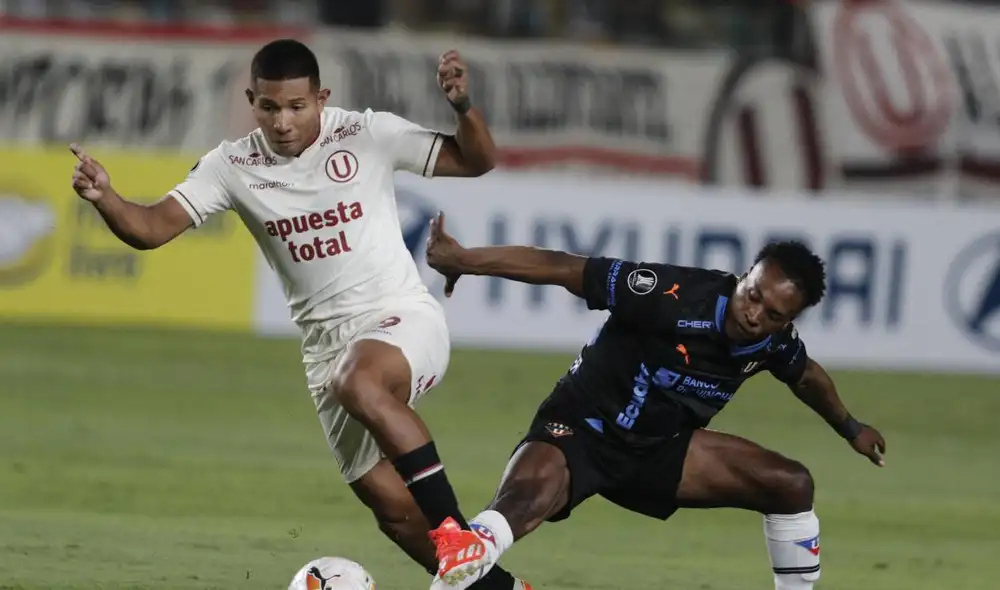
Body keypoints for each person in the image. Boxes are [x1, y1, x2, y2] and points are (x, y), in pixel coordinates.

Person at [69, 39, 527, 590]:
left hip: (401, 318)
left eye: (296, 107)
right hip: (325, 354)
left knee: (360, 380)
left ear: (321, 98)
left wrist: (462, 107)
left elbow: (476, 160)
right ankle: (499, 589)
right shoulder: (231, 166)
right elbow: (150, 229)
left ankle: (457, 532)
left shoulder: (366, 134)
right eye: (268, 108)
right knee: (393, 511)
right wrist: (106, 198)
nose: (282, 121)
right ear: (252, 101)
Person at [422, 213, 887, 590]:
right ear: (745, 277)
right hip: (582, 428)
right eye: (753, 295)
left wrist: (851, 428)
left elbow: (806, 378)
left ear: (787, 322)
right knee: (517, 509)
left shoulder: (773, 344)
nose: (754, 313)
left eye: (772, 314)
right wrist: (465, 260)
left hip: (660, 450)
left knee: (791, 485)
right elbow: (565, 268)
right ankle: (464, 566)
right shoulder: (672, 295)